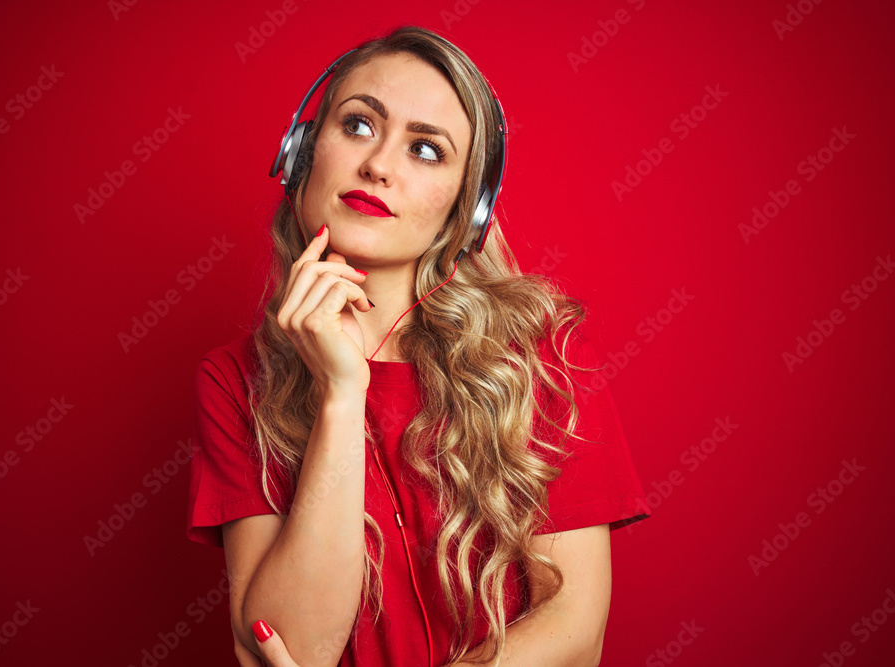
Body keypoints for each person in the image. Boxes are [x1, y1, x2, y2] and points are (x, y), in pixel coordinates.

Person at [186, 25, 651, 667]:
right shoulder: (234, 379)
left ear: (468, 207)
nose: (378, 164)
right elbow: (293, 648)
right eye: (356, 125)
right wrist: (342, 397)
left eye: (426, 150)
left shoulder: (541, 354)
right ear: (301, 152)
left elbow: (575, 627)